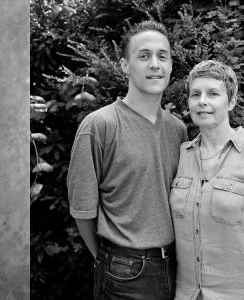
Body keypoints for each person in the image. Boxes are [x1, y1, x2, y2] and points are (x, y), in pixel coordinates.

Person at [67, 20, 188, 300]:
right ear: (124, 65)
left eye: (163, 56)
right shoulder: (99, 125)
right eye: (144, 56)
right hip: (124, 272)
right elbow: (82, 209)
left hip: (178, 268)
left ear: (170, 65)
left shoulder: (178, 129)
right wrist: (107, 260)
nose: (155, 64)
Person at [170, 60, 244, 299]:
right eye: (195, 94)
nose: (202, 101)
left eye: (213, 93)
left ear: (231, 101)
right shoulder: (180, 156)